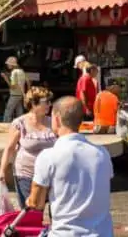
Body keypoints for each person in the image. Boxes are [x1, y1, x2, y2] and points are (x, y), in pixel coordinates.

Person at [27, 96, 114, 236]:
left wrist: (31, 199)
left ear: (57, 118)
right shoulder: (102, 154)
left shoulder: (49, 156)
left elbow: (36, 204)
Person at [0, 86, 56, 208]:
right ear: (33, 104)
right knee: (32, 212)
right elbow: (9, 148)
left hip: (51, 175)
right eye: (46, 102)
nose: (50, 105)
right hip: (27, 175)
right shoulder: (20, 123)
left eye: (50, 102)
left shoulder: (53, 122)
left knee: (55, 212)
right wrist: (2, 171)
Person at [2, 56, 27, 122]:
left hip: (14, 94)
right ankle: (21, 124)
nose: (7, 65)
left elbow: (12, 86)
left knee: (8, 110)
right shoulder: (21, 71)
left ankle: (6, 124)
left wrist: (5, 78)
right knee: (19, 111)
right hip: (20, 94)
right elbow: (27, 81)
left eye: (8, 64)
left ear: (12, 64)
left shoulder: (14, 72)